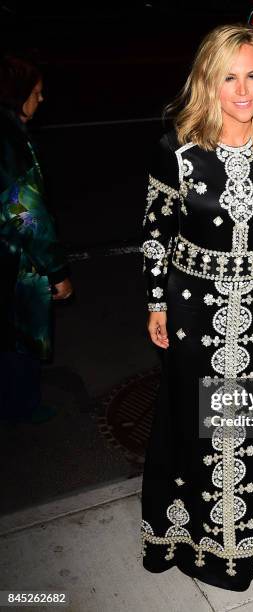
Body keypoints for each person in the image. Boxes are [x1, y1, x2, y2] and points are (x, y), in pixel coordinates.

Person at [140, 24, 253, 591]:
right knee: (191, 427)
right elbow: (155, 235)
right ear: (207, 83)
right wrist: (156, 301)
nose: (243, 90)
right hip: (196, 314)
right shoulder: (177, 152)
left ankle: (248, 545)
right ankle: (187, 540)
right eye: (229, 77)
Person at [0, 54, 73, 423]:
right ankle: (20, 407)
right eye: (37, 92)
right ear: (19, 95)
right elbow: (27, 214)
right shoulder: (10, 142)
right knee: (20, 336)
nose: (41, 100)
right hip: (13, 262)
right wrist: (56, 270)